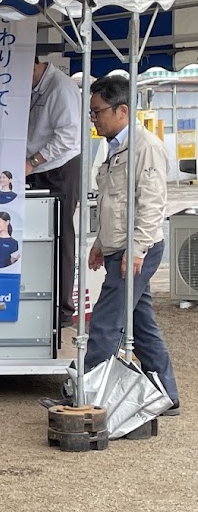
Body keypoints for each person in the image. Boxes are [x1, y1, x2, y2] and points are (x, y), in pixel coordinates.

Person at [60, 75, 179, 414]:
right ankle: (167, 395)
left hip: (135, 250)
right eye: (92, 112)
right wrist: (100, 243)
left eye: (97, 112)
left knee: (105, 322)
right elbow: (113, 202)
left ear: (122, 110)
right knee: (142, 325)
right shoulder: (113, 145)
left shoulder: (145, 147)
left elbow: (152, 204)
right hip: (118, 248)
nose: (93, 119)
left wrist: (137, 250)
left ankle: (83, 397)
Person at [25, 55, 83, 335]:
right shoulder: (36, 87)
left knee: (60, 235)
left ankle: (62, 310)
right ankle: (38, 300)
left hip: (60, 167)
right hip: (37, 166)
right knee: (36, 236)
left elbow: (68, 137)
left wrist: (32, 162)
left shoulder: (62, 88)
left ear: (34, 65)